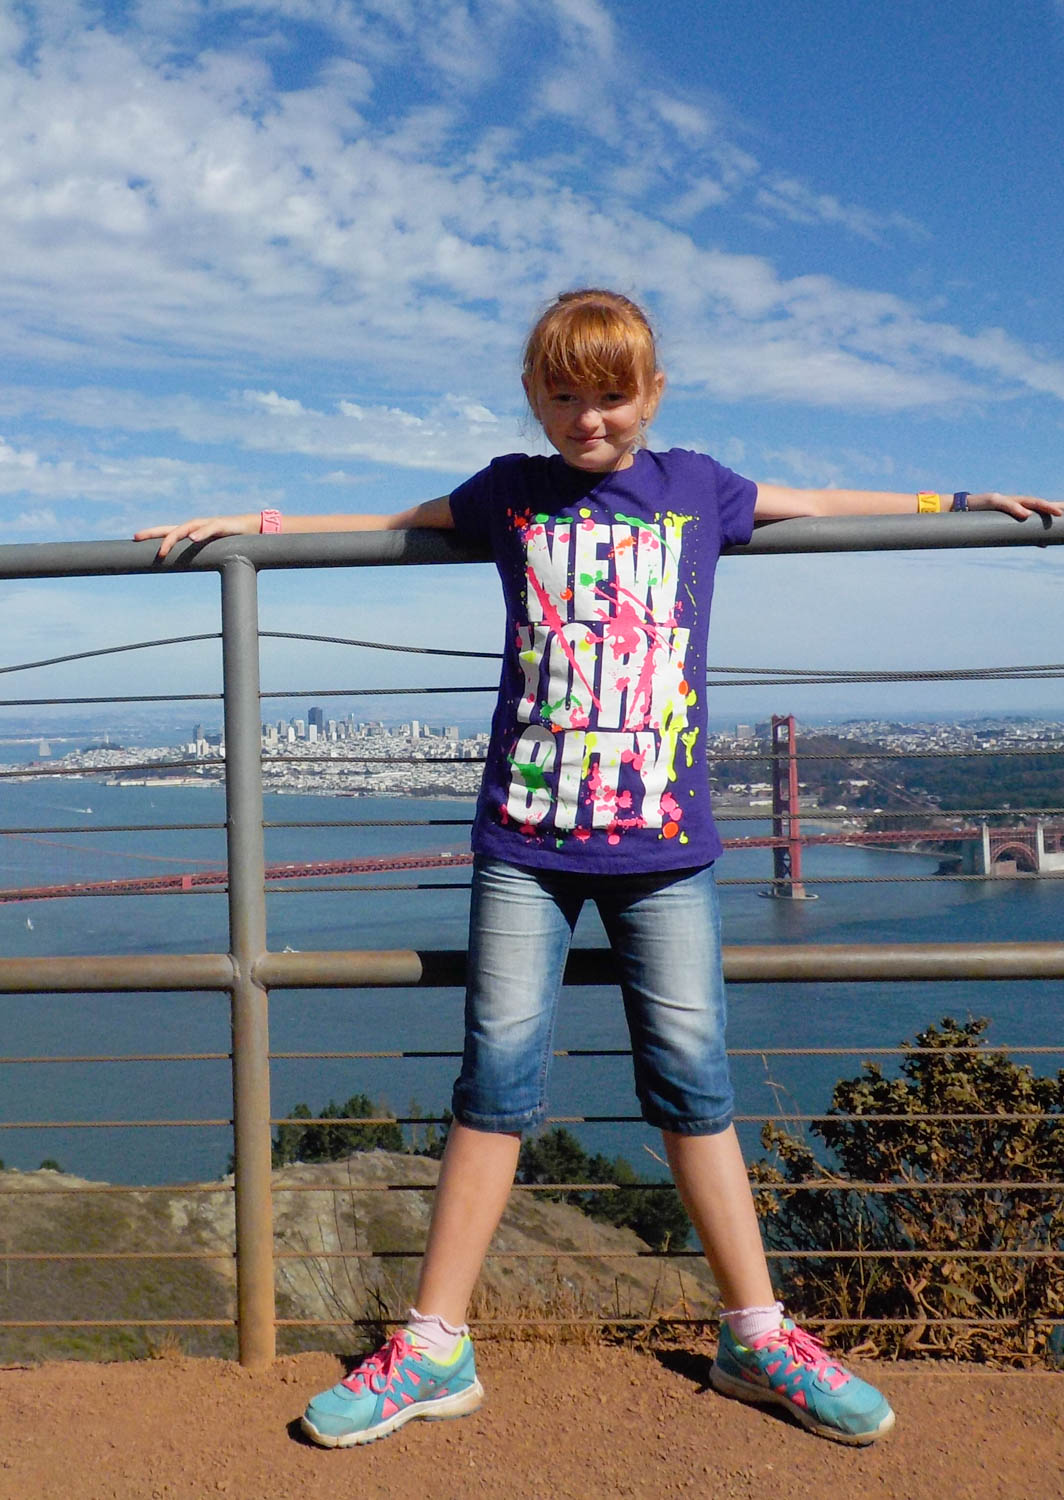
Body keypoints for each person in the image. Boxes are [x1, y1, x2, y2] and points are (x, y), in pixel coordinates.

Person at [136, 289, 1061, 1450]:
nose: (588, 418)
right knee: (493, 1084)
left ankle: (755, 1334)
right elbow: (388, 518)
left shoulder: (697, 486)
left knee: (692, 1084)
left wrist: (957, 501)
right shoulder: (506, 492)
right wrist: (253, 525)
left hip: (664, 850)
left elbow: (823, 500)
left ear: (651, 394)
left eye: (611, 395)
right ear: (533, 398)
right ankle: (433, 1345)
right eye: (563, 395)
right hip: (522, 845)